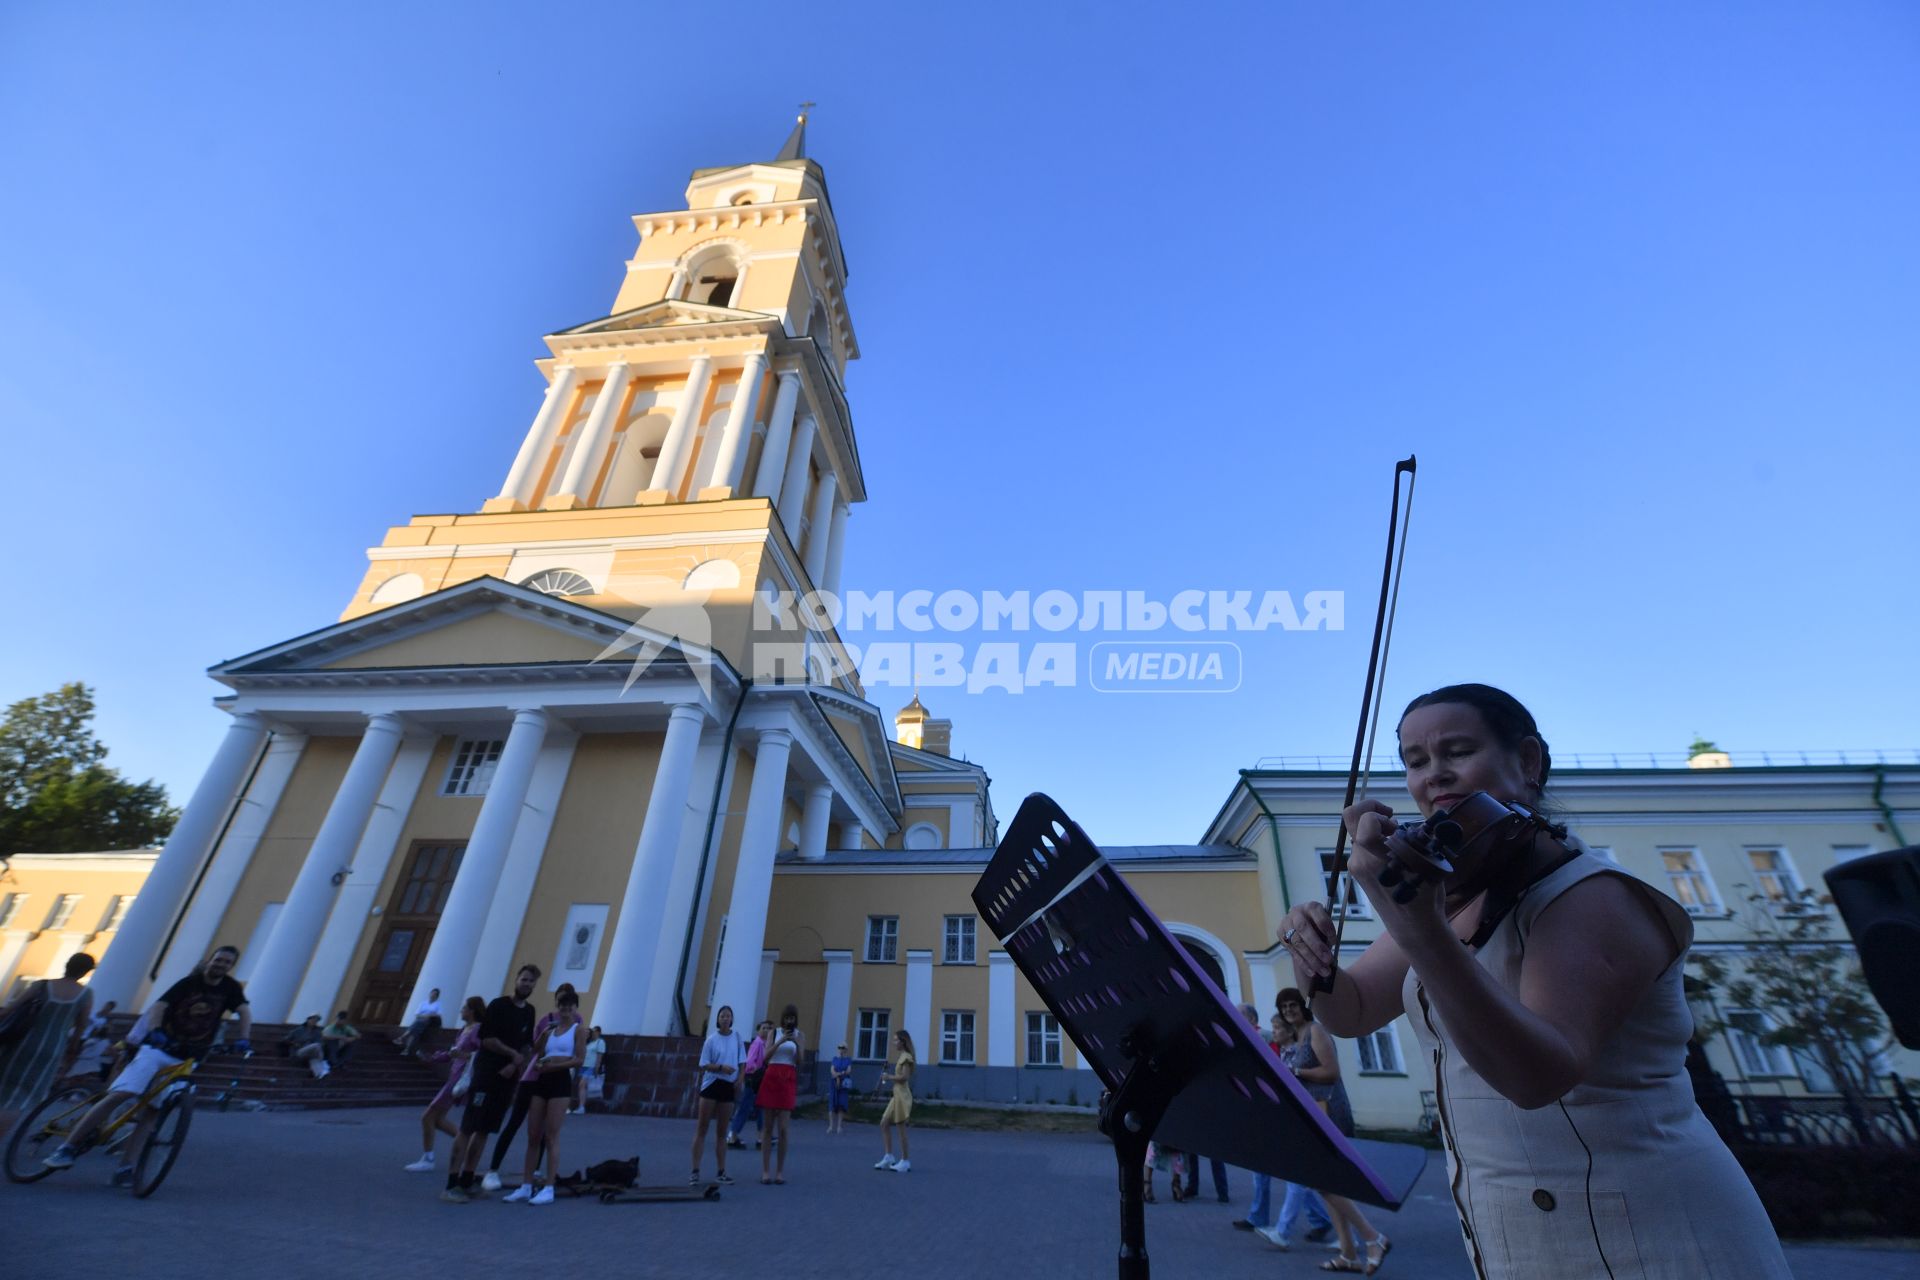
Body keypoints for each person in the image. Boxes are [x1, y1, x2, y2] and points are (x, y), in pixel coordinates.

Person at [1280, 683, 1792, 1279]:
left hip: (1648, 1236)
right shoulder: (1448, 896)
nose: (1433, 776)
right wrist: (1308, 949)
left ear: (1527, 761)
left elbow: (1536, 1077)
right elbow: (1353, 1012)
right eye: (1416, 763)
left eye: (1457, 751)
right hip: (1518, 1240)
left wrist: (1418, 926)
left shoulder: (1589, 894)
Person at [44, 945, 250, 1185]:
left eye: (226, 963)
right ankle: (67, 1148)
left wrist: (244, 1038)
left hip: (186, 1057)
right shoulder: (188, 983)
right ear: (210, 960)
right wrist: (155, 1031)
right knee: (122, 1093)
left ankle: (126, 1168)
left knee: (152, 1112)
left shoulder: (230, 988)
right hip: (158, 1049)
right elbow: (160, 1007)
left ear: (231, 967)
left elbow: (244, 1011)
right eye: (218, 960)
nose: (221, 965)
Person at [1262, 988, 1383, 1269]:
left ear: (1303, 1007)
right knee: (1327, 1182)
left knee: (1322, 1179)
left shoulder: (1315, 1031)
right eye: (1284, 1007)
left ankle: (1372, 1237)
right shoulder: (1297, 1037)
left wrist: (1294, 1073)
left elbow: (1331, 1072)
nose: (1289, 1010)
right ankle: (1349, 1254)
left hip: (1330, 1111)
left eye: (1293, 1005)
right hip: (1313, 1113)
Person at [443, 963, 538, 1203]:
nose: (526, 984)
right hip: (487, 1074)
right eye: (524, 979)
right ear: (516, 979)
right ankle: (451, 1184)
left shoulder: (529, 1011)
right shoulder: (498, 1005)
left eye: (531, 981)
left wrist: (515, 1064)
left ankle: (467, 1179)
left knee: (485, 1129)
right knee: (468, 1127)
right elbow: (487, 1039)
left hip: (508, 1077)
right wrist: (511, 1056)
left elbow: (526, 1045)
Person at [485, 982, 577, 1191]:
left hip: (555, 1080)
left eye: (569, 1001)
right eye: (561, 1000)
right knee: (516, 1123)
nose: (565, 1006)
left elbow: (575, 1051)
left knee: (545, 1130)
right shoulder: (546, 1021)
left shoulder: (576, 1023)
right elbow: (534, 1048)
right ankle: (493, 1170)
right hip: (532, 1078)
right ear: (556, 1001)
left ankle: (535, 1171)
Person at [0, 952, 96, 1135]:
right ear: (85, 972)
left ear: (67, 965)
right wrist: (72, 1050)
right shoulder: (86, 994)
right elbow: (81, 1026)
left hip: (20, 1043)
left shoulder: (42, 985)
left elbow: (9, 1011)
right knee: (21, 1099)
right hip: (51, 1049)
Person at [504, 988, 582, 1205]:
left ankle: (548, 1187)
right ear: (557, 1007)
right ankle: (526, 1186)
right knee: (533, 1135)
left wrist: (555, 1066)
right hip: (542, 1081)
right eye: (561, 1005)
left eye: (569, 1006)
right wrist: (543, 1035)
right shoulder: (551, 1029)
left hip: (560, 1083)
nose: (565, 1009)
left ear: (575, 1008)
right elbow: (537, 1051)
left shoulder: (578, 1030)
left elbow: (578, 1060)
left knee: (551, 1136)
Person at [405, 996, 484, 1172]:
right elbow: (452, 1052)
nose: (461, 1010)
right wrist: (433, 1057)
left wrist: (463, 1055)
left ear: (472, 1011)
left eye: (464, 1008)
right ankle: (467, 1144)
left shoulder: (477, 1030)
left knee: (427, 1117)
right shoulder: (464, 1029)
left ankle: (428, 1158)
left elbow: (481, 1053)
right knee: (438, 1120)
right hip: (454, 1076)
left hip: (460, 1078)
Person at [690, 1005, 742, 1186]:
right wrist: (721, 1068)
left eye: (728, 1015)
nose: (725, 1018)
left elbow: (742, 1062)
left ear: (732, 1019)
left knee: (722, 1132)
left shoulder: (737, 1038)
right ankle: (695, 1171)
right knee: (702, 1128)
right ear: (718, 1019)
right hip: (712, 1085)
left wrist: (739, 1080)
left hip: (728, 1086)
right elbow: (703, 1063)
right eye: (722, 1016)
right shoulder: (711, 1040)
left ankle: (721, 1171)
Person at [757, 1003, 803, 1184]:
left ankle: (780, 1171)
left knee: (783, 1129)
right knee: (768, 1127)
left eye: (792, 1018)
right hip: (772, 1075)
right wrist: (780, 1041)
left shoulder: (800, 1035)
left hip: (788, 1076)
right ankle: (766, 1171)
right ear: (783, 1019)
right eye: (787, 1018)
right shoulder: (773, 1033)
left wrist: (797, 1044)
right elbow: (765, 1057)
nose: (789, 1021)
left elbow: (800, 1061)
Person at [725, 1018, 771, 1149]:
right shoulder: (757, 1043)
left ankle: (761, 1137)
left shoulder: (765, 1044)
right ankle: (732, 1136)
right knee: (746, 1107)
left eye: (768, 1028)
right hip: (753, 1080)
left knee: (761, 1108)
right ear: (758, 1031)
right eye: (764, 1028)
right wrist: (754, 1069)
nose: (766, 1030)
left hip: (760, 1080)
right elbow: (749, 1062)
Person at [873, 1028, 914, 1173]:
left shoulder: (907, 1057)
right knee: (884, 1123)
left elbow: (904, 1077)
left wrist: (889, 1077)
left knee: (900, 1128)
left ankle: (905, 1160)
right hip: (896, 1096)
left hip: (902, 1097)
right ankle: (889, 1156)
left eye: (896, 1040)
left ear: (903, 1042)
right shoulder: (902, 1056)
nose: (894, 1042)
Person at [395, 988, 444, 1058]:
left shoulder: (438, 1004)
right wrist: (424, 1015)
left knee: (418, 1023)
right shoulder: (423, 1003)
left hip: (431, 1021)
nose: (433, 995)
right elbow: (417, 1014)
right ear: (430, 994)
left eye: (435, 994)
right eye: (432, 993)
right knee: (415, 1031)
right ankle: (406, 1050)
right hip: (421, 1020)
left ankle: (402, 1038)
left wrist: (428, 1015)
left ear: (437, 996)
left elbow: (438, 1014)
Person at [285, 1014, 331, 1079]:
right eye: (313, 1020)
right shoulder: (299, 1030)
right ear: (308, 1020)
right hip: (299, 1051)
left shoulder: (317, 1032)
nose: (314, 1022)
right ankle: (323, 1063)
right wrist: (294, 1043)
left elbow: (321, 1042)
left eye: (316, 1021)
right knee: (316, 1045)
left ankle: (319, 1073)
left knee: (315, 1058)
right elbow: (286, 1039)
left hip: (311, 1053)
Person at [573, 1025, 605, 1115]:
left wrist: (596, 1067)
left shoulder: (600, 1042)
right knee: (583, 1087)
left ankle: (581, 1107)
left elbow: (599, 1056)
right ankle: (581, 1105)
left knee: (581, 1085)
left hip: (591, 1067)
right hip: (583, 1066)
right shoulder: (588, 1043)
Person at [826, 1042, 853, 1133]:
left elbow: (848, 1071)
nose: (841, 1049)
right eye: (839, 1047)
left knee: (841, 1104)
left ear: (846, 1049)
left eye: (843, 1047)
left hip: (843, 1084)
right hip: (834, 1083)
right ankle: (830, 1126)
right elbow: (832, 1070)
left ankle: (839, 1126)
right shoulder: (835, 1059)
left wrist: (841, 1074)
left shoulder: (848, 1060)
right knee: (832, 1104)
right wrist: (837, 1075)